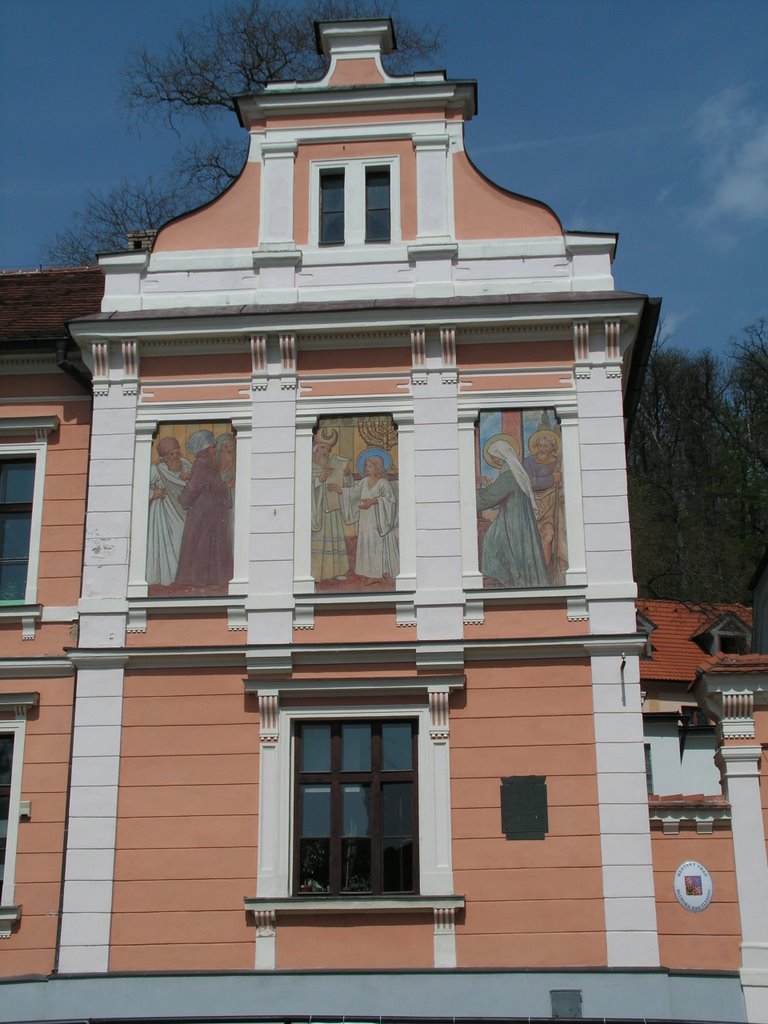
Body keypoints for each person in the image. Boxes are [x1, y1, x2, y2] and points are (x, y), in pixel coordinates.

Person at [476, 435, 550, 588]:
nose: (494, 461)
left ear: (501, 456)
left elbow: (490, 497)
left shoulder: (510, 475)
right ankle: (509, 579)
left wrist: (470, 495)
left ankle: (510, 580)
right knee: (494, 538)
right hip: (513, 517)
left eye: (494, 457)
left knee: (494, 541)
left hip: (514, 521)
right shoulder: (514, 473)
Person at [174, 430, 234, 588]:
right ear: (205, 449)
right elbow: (194, 488)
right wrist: (185, 499)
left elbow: (209, 486)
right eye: (213, 447)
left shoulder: (207, 465)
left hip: (210, 513)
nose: (216, 450)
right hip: (205, 514)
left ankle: (209, 580)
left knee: (208, 545)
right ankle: (202, 580)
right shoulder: (203, 465)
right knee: (203, 544)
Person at [337, 454, 398, 584]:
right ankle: (373, 572)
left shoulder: (383, 483)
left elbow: (390, 501)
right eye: (366, 466)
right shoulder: (364, 481)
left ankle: (381, 573)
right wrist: (342, 490)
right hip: (365, 520)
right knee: (368, 544)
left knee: (378, 544)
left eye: (370, 466)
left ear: (377, 467)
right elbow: (354, 492)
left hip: (379, 521)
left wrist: (374, 501)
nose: (367, 468)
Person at [146, 436, 192, 586]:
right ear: (164, 457)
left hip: (184, 513)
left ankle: (184, 576)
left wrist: (189, 478)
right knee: (168, 544)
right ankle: (169, 577)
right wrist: (153, 494)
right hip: (163, 514)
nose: (175, 456)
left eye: (177, 452)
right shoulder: (157, 470)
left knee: (183, 541)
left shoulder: (186, 466)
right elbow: (140, 487)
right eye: (171, 454)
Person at [523, 429, 567, 584]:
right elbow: (529, 482)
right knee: (531, 541)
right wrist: (551, 478)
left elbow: (564, 483)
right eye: (539, 445)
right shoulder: (528, 462)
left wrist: (560, 481)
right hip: (533, 506)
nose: (541, 449)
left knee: (548, 536)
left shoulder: (558, 462)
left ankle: (543, 574)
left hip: (551, 505)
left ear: (552, 448)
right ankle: (532, 574)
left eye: (545, 446)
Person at [310, 427, 350, 581]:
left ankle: (336, 571)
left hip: (332, 509)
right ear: (315, 448)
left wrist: (346, 477)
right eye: (322, 447)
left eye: (327, 448)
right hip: (317, 510)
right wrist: (319, 480)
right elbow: (301, 488)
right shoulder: (308, 465)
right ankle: (315, 572)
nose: (325, 451)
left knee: (334, 539)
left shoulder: (334, 463)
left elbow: (344, 485)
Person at [215, 432, 237, 544]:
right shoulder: (214, 471)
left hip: (233, 511)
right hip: (217, 512)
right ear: (220, 450)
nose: (230, 450)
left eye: (232, 446)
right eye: (226, 446)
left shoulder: (238, 470)